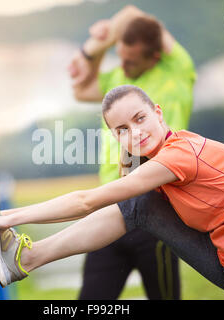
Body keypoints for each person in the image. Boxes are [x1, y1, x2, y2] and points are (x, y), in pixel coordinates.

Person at [0, 85, 224, 300]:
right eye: (122, 130)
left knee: (136, 203)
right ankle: (25, 259)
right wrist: (131, 156)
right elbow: (127, 204)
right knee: (139, 205)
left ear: (158, 113)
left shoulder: (178, 156)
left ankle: (25, 258)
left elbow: (87, 201)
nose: (136, 132)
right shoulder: (156, 157)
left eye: (140, 118)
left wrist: (7, 218)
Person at [67, 5, 196, 299]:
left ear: (155, 56)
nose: (123, 67)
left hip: (157, 211)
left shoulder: (178, 69)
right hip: (110, 207)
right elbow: (80, 89)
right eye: (120, 58)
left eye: (131, 61)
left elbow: (130, 12)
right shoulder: (117, 80)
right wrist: (94, 51)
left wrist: (102, 37)